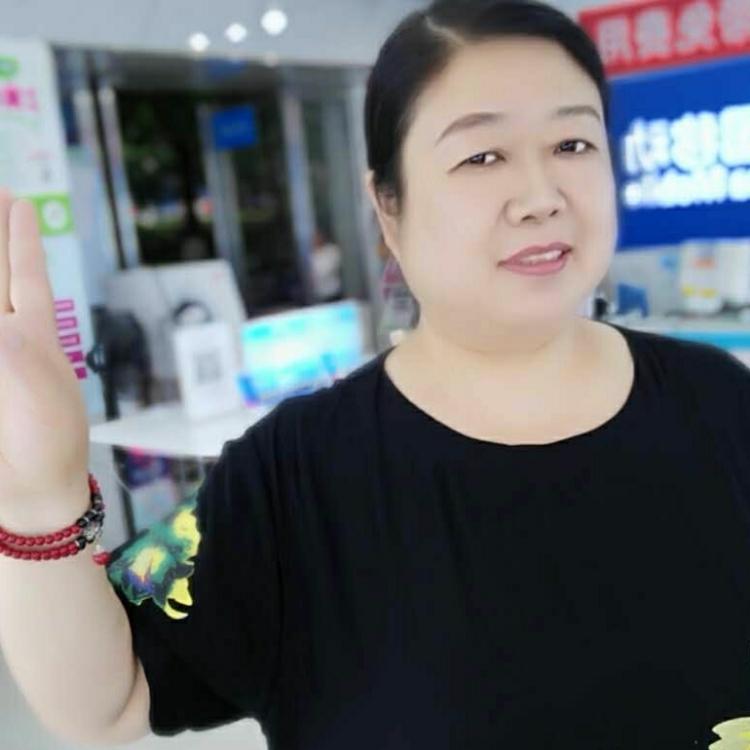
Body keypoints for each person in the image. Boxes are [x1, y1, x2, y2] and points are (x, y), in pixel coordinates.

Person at [2, 2, 750, 748]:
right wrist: (38, 499)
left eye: (573, 143)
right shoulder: (293, 475)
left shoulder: (722, 403)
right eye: (481, 156)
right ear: (389, 207)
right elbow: (106, 705)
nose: (541, 197)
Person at [310, 229, 343, 302]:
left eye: (317, 238)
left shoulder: (331, 250)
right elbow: (314, 273)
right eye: (313, 240)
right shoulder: (314, 255)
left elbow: (330, 268)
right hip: (322, 292)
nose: (315, 241)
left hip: (334, 289)